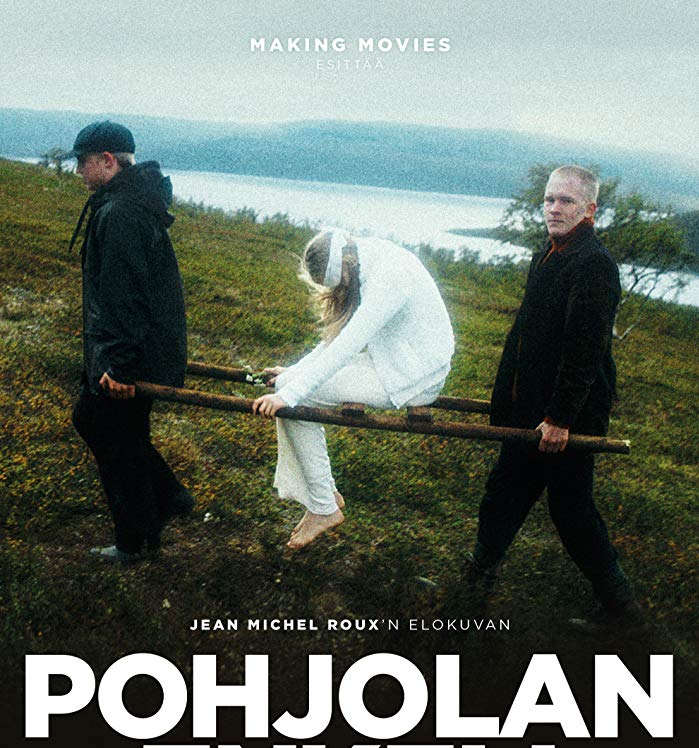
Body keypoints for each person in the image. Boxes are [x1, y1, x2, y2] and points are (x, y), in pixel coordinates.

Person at [467, 165, 645, 635]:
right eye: (549, 199)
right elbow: (527, 334)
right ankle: (474, 583)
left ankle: (624, 611)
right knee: (506, 490)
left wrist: (561, 418)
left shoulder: (594, 265)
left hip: (569, 416)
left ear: (590, 210)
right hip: (534, 410)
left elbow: (584, 350)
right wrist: (507, 402)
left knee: (570, 509)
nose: (553, 208)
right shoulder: (546, 255)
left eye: (566, 201)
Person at [252, 230, 454, 548]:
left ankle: (323, 507)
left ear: (343, 271)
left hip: (413, 377)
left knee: (294, 401)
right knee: (292, 388)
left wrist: (287, 393)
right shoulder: (370, 256)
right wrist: (294, 372)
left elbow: (347, 346)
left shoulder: (389, 276)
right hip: (399, 362)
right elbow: (338, 339)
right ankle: (324, 495)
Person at [67, 121, 192, 563]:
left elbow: (126, 297)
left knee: (106, 427)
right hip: (137, 348)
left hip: (131, 354)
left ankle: (137, 538)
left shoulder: (121, 211)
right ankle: (161, 507)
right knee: (117, 430)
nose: (78, 171)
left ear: (107, 160)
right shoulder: (129, 201)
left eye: (83, 162)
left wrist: (118, 366)